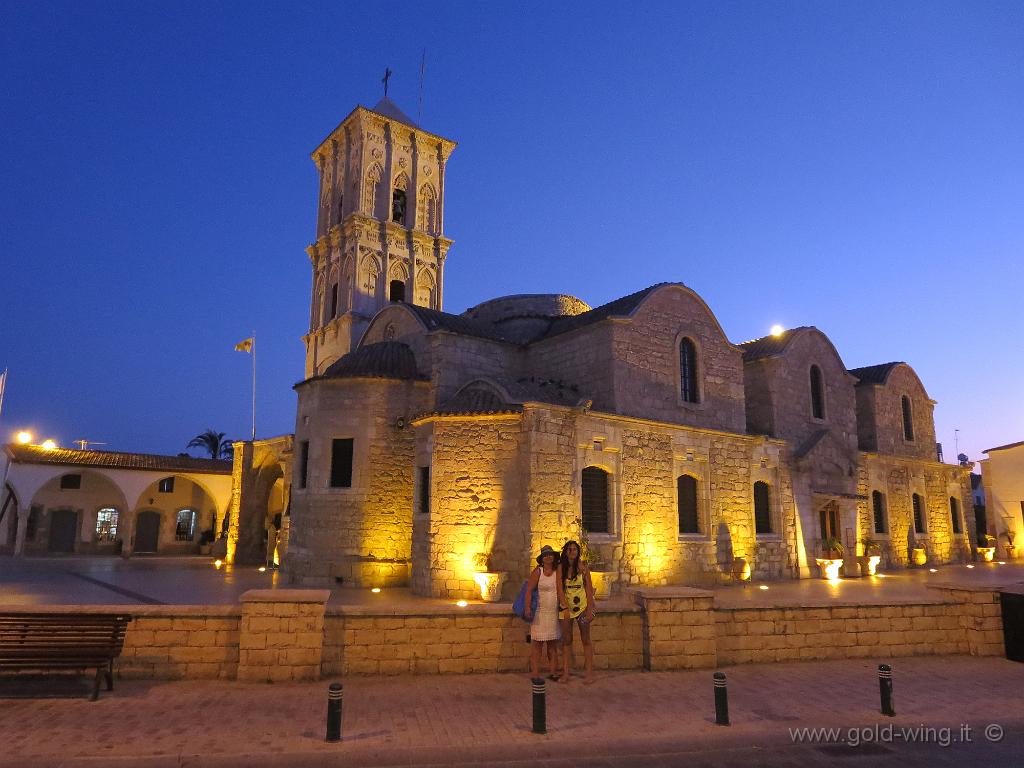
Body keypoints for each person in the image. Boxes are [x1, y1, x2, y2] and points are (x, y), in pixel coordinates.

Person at [523, 545, 565, 679]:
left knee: (552, 645)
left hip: (552, 612)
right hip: (539, 613)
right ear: (542, 559)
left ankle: (552, 672)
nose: (548, 557)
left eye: (550, 555)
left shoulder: (557, 572)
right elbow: (529, 590)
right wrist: (528, 607)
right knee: (537, 645)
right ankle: (535, 674)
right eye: (546, 555)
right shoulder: (538, 572)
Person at [558, 540, 596, 684]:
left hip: (582, 607)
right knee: (566, 640)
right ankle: (566, 673)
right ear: (565, 552)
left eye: (574, 549)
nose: (572, 551)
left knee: (585, 639)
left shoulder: (583, 568)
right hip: (566, 608)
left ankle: (589, 673)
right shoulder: (561, 568)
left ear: (578, 552)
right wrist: (565, 608)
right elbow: (560, 589)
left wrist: (590, 608)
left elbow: (589, 589)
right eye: (569, 549)